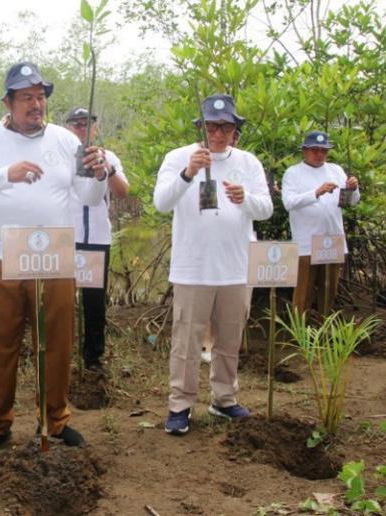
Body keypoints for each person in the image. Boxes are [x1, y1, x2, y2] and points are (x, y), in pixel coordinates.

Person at [0, 62, 109, 455]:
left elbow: (87, 198)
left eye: (40, 97)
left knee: (55, 340)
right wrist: (7, 174)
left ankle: (55, 419)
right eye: (26, 97)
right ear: (8, 102)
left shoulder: (64, 140)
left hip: (53, 254)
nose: (35, 105)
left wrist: (99, 175)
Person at [153, 94, 273, 435]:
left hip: (236, 267)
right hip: (193, 267)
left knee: (229, 338)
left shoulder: (248, 163)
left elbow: (266, 208)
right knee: (186, 339)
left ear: (236, 131)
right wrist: (188, 172)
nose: (218, 135)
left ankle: (223, 399)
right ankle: (180, 405)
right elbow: (161, 202)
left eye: (225, 127)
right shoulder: (178, 157)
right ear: (201, 127)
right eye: (211, 127)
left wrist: (244, 200)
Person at [65, 107, 129, 371]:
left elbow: (123, 192)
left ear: (95, 127)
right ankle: (62, 354)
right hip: (64, 238)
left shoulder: (108, 155)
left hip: (97, 238)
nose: (82, 128)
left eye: (87, 123)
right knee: (61, 300)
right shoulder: (60, 155)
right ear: (67, 128)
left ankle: (93, 357)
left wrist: (107, 168)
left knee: (94, 302)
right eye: (76, 124)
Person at [281, 130, 359, 314]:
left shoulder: (336, 170)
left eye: (323, 150)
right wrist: (316, 192)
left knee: (329, 290)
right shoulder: (293, 173)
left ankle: (324, 331)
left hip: (333, 239)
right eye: (314, 150)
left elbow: (350, 202)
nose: (319, 154)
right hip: (307, 242)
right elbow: (288, 202)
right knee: (303, 292)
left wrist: (353, 189)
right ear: (304, 150)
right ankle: (299, 334)